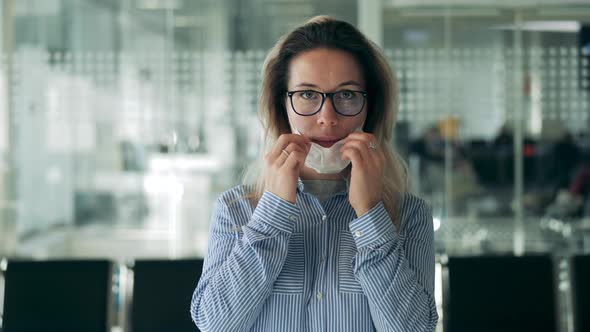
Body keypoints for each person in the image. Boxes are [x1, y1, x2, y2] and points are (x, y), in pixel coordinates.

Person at [190, 16, 438, 332]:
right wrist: (274, 210)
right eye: (307, 94)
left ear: (370, 106)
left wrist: (371, 214)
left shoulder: (409, 214)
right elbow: (215, 324)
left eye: (346, 94)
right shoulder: (236, 209)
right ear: (282, 105)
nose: (327, 117)